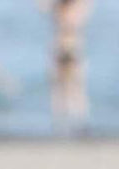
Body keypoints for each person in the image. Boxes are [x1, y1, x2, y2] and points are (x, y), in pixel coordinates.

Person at [39, 0, 92, 129]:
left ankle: (78, 120)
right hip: (61, 50)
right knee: (61, 89)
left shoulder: (71, 10)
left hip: (70, 50)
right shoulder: (62, 9)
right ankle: (63, 121)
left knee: (73, 88)